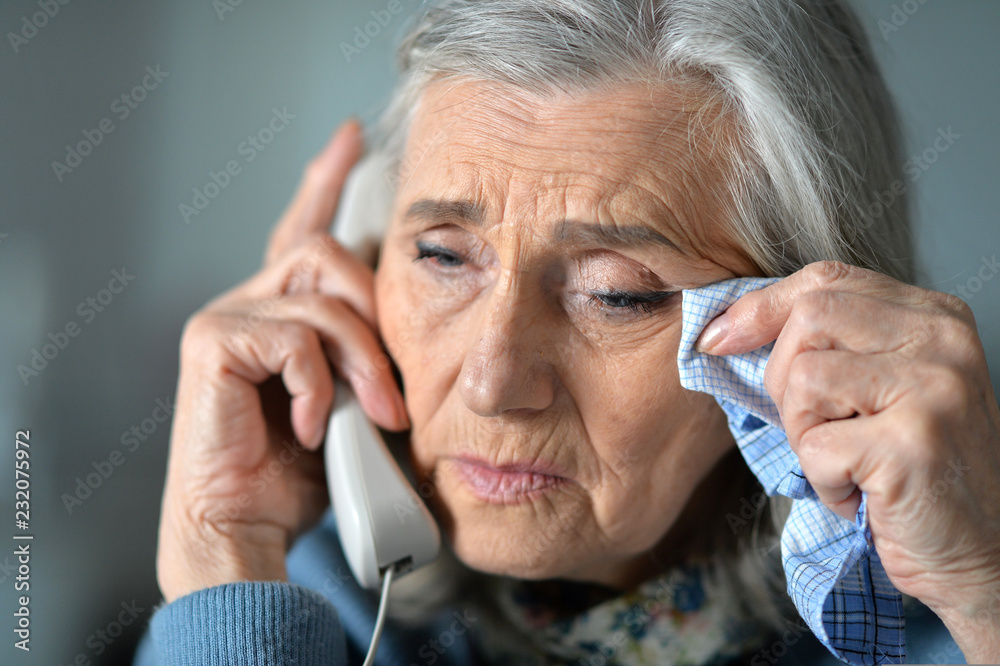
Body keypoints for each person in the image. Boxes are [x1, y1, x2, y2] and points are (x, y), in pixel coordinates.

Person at [135, 0, 1000, 663]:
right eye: (441, 256)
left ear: (806, 329)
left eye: (617, 294)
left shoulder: (953, 612)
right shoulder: (294, 610)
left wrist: (981, 596)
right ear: (364, 254)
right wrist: (224, 558)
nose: (492, 380)